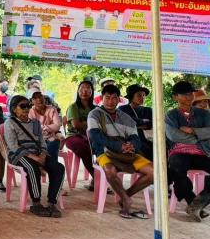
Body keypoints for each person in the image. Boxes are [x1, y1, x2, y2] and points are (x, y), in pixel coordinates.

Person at [87, 84, 153, 219]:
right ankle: (126, 200)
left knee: (154, 173)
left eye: (114, 98)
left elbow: (135, 138)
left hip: (127, 154)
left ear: (119, 99)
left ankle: (125, 196)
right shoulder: (95, 114)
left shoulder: (126, 117)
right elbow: (95, 136)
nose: (110, 101)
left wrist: (131, 146)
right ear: (101, 98)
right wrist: (119, 146)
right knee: (110, 171)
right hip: (103, 152)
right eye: (107, 98)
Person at [3, 95, 66, 217]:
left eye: (28, 106)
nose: (27, 109)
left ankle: (52, 203)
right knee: (32, 167)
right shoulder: (9, 123)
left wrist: (42, 154)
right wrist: (34, 157)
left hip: (37, 153)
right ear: (14, 109)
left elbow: (42, 143)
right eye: (23, 106)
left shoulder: (35, 123)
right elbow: (13, 146)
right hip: (19, 155)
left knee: (59, 168)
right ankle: (36, 203)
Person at [165, 81, 210, 222]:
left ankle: (198, 203)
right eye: (184, 94)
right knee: (177, 168)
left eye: (190, 94)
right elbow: (173, 135)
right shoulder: (171, 115)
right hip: (179, 152)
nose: (189, 97)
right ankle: (192, 201)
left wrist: (192, 130)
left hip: (202, 152)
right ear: (175, 97)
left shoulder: (205, 114)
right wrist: (200, 136)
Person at [64, 80, 96, 189]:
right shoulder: (73, 107)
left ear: (92, 91)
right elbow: (76, 125)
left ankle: (96, 180)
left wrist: (86, 124)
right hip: (73, 137)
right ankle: (97, 177)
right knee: (84, 147)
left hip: (91, 137)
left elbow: (100, 125)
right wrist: (91, 124)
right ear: (78, 91)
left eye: (88, 88)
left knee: (102, 148)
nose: (85, 91)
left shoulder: (95, 108)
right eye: (82, 88)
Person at [119, 84, 153, 161]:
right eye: (139, 95)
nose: (142, 97)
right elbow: (127, 123)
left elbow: (153, 123)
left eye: (144, 95)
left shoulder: (148, 110)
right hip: (133, 141)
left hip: (150, 140)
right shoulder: (123, 109)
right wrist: (144, 122)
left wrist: (138, 125)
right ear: (131, 96)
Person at [28, 91, 62, 162]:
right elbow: (35, 131)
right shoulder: (30, 112)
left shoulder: (52, 109)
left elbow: (57, 126)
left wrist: (42, 127)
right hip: (37, 140)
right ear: (32, 101)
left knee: (54, 143)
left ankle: (51, 165)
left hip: (51, 137)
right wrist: (50, 127)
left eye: (40, 96)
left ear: (44, 98)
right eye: (35, 98)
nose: (39, 99)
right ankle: (50, 166)